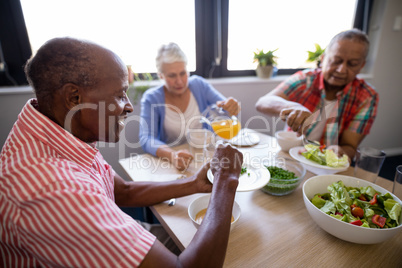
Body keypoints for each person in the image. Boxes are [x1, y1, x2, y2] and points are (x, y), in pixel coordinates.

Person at [0, 37, 244, 267]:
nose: (128, 106)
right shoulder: (53, 190)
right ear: (74, 97)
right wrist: (226, 180)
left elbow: (122, 191)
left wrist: (194, 183)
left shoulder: (60, 135)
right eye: (119, 94)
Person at [255, 29, 378, 160]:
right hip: (289, 156)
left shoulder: (367, 96)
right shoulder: (305, 79)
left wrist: (341, 151)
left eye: (352, 64)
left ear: (361, 66)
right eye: (336, 61)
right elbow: (263, 102)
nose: (341, 70)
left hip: (327, 164)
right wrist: (293, 107)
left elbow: (350, 146)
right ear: (323, 58)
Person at [139, 42, 241, 171]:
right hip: (173, 162)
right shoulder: (152, 98)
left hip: (204, 157)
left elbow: (228, 113)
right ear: (161, 75)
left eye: (183, 73)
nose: (180, 81)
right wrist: (172, 155)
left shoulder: (199, 85)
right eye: (172, 75)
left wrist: (232, 107)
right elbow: (146, 138)